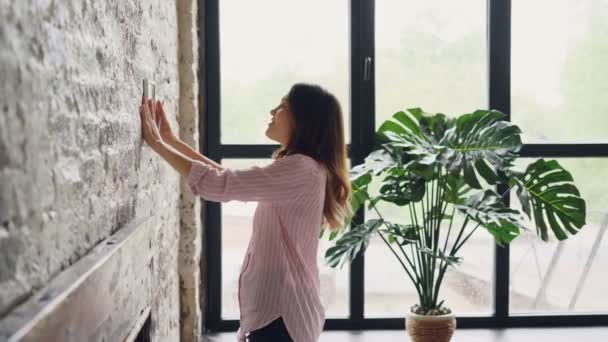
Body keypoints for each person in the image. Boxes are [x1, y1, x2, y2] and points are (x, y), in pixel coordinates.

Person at [139, 83, 351, 342]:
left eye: (283, 106)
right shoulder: (303, 168)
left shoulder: (301, 169)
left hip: (283, 317)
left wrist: (159, 145)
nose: (273, 111)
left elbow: (220, 184)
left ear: (303, 120)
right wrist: (172, 142)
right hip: (282, 315)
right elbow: (227, 178)